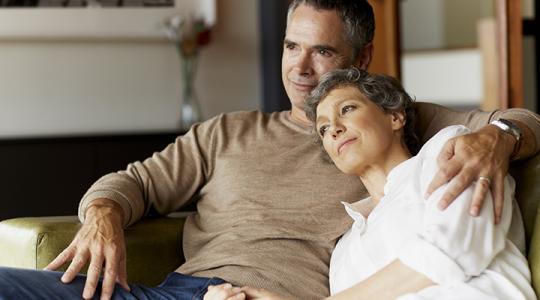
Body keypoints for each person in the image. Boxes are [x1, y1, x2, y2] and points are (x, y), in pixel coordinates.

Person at [0, 1, 539, 299]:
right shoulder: (226, 132)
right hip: (179, 295)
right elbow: (133, 182)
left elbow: (517, 120)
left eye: (322, 51)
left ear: (363, 58)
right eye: (290, 47)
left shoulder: (395, 121)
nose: (300, 69)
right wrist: (102, 216)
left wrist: (500, 137)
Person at [204, 68, 535, 300]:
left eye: (347, 110)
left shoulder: (447, 151)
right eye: (322, 128)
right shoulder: (346, 248)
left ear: (395, 117)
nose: (332, 129)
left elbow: (454, 251)